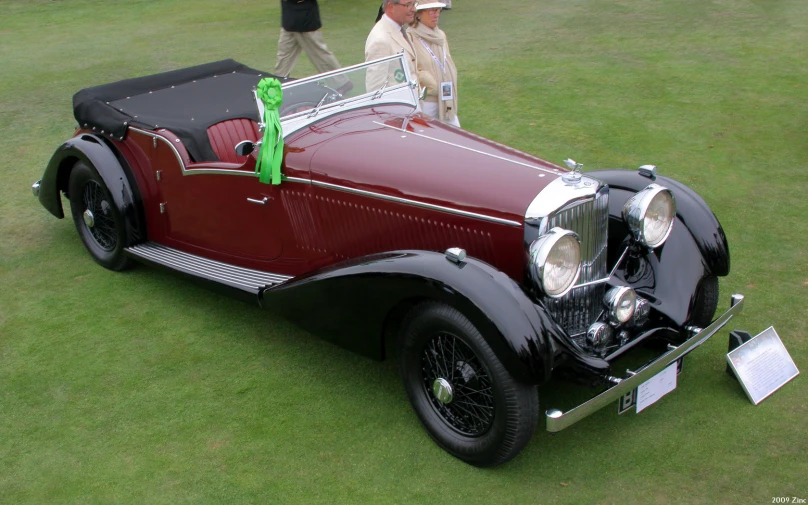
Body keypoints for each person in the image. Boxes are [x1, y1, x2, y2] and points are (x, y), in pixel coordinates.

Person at [274, 0, 350, 91]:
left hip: (305, 18)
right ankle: (275, 88)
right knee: (283, 56)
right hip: (289, 18)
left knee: (319, 54)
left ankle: (341, 83)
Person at [409, 2, 459, 126]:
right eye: (431, 11)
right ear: (418, 14)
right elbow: (410, 70)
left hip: (446, 99)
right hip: (427, 102)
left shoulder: (440, 35)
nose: (436, 15)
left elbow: (446, 62)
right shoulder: (410, 37)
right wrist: (430, 83)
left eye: (438, 10)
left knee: (456, 136)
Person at [365, 0, 418, 90]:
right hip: (399, 103)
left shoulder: (399, 29)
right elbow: (375, 90)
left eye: (414, 4)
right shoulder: (380, 40)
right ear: (391, 7)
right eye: (408, 5)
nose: (414, 9)